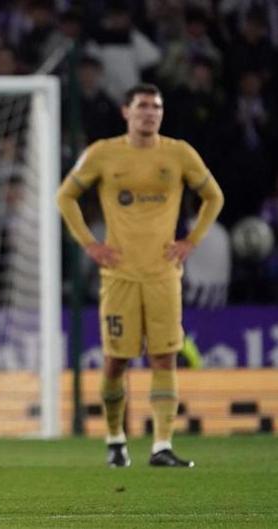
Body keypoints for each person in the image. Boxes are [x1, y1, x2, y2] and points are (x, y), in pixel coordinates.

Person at [57, 83, 224, 468]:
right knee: (117, 362)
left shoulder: (179, 153)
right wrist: (89, 244)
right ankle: (116, 440)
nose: (150, 113)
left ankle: (161, 445)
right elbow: (65, 195)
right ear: (126, 111)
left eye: (157, 107)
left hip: (164, 273)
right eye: (143, 106)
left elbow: (214, 195)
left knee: (165, 357)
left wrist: (191, 241)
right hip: (119, 275)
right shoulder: (103, 153)